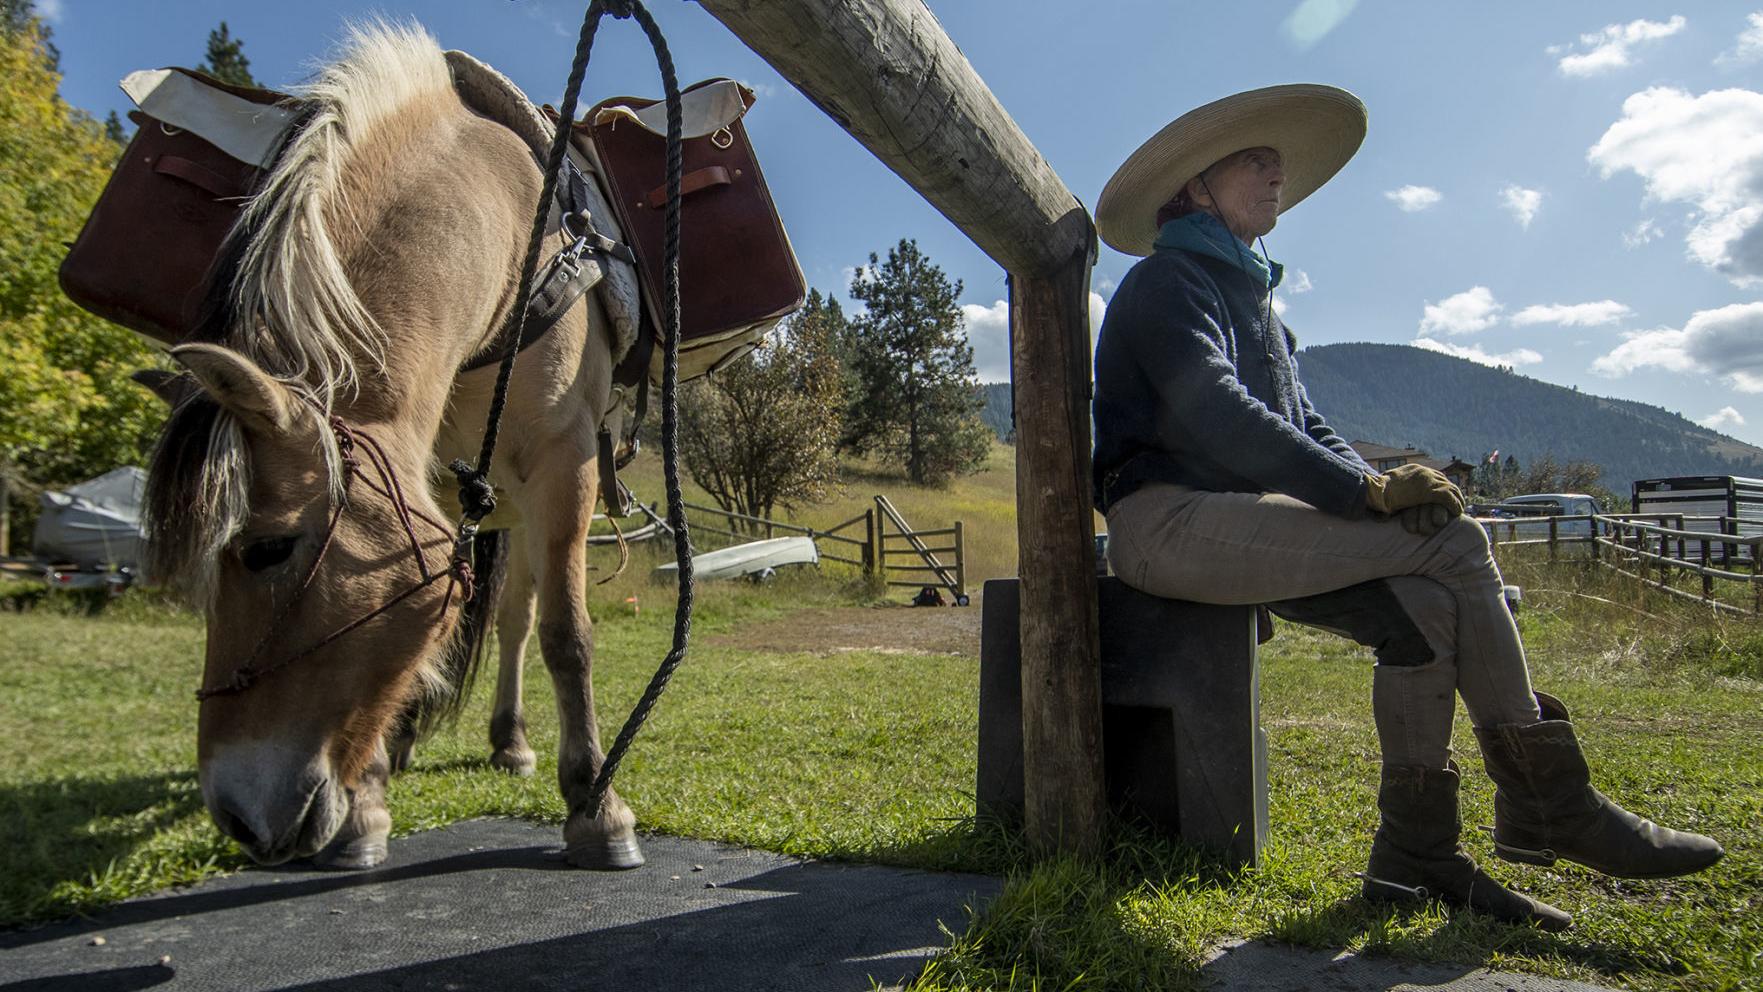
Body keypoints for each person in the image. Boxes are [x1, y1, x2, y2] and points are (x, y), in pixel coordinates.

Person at [1090, 84, 1721, 933]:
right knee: (1455, 544)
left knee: (1425, 609)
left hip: (1243, 525)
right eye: (1253, 159)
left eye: (1277, 159)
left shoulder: (1258, 306)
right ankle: (1549, 803)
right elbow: (1215, 409)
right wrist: (1365, 492)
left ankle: (1412, 856)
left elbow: (1303, 423)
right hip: (1163, 525)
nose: (1276, 170)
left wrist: (1381, 495)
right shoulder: (1167, 282)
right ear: (1194, 188)